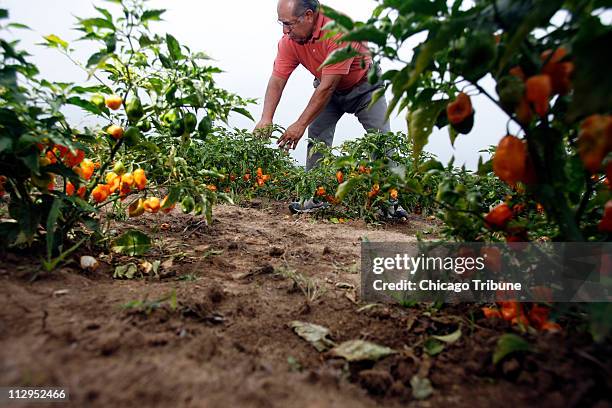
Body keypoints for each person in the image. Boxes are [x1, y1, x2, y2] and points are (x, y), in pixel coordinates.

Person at [255, 0, 407, 218]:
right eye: (281, 23)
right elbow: (277, 80)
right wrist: (266, 118)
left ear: (308, 15)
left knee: (382, 140)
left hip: (365, 88)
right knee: (316, 139)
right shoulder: (290, 41)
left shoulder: (339, 31)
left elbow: (327, 87)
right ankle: (313, 197)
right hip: (327, 90)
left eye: (289, 24)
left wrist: (299, 124)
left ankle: (390, 203)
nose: (285, 30)